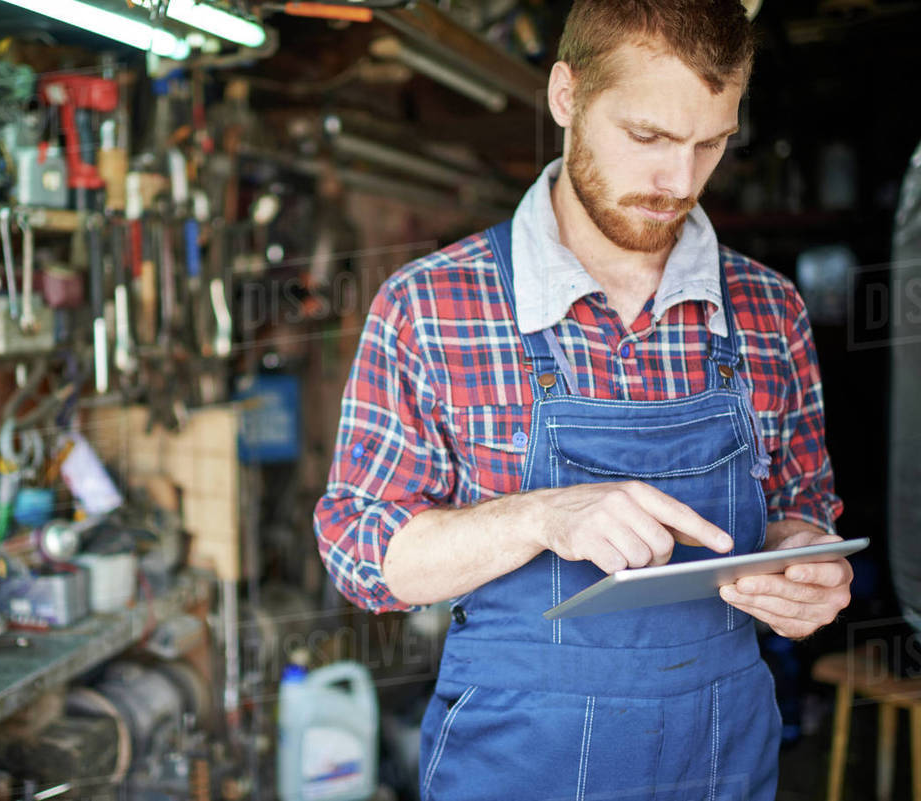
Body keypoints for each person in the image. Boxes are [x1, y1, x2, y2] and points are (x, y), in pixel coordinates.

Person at [313, 1, 853, 798]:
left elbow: (805, 510)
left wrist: (808, 569)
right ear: (566, 96)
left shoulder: (769, 309)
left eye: (711, 143)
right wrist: (539, 515)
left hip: (720, 760)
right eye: (649, 138)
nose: (680, 181)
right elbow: (363, 554)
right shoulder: (433, 304)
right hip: (516, 763)